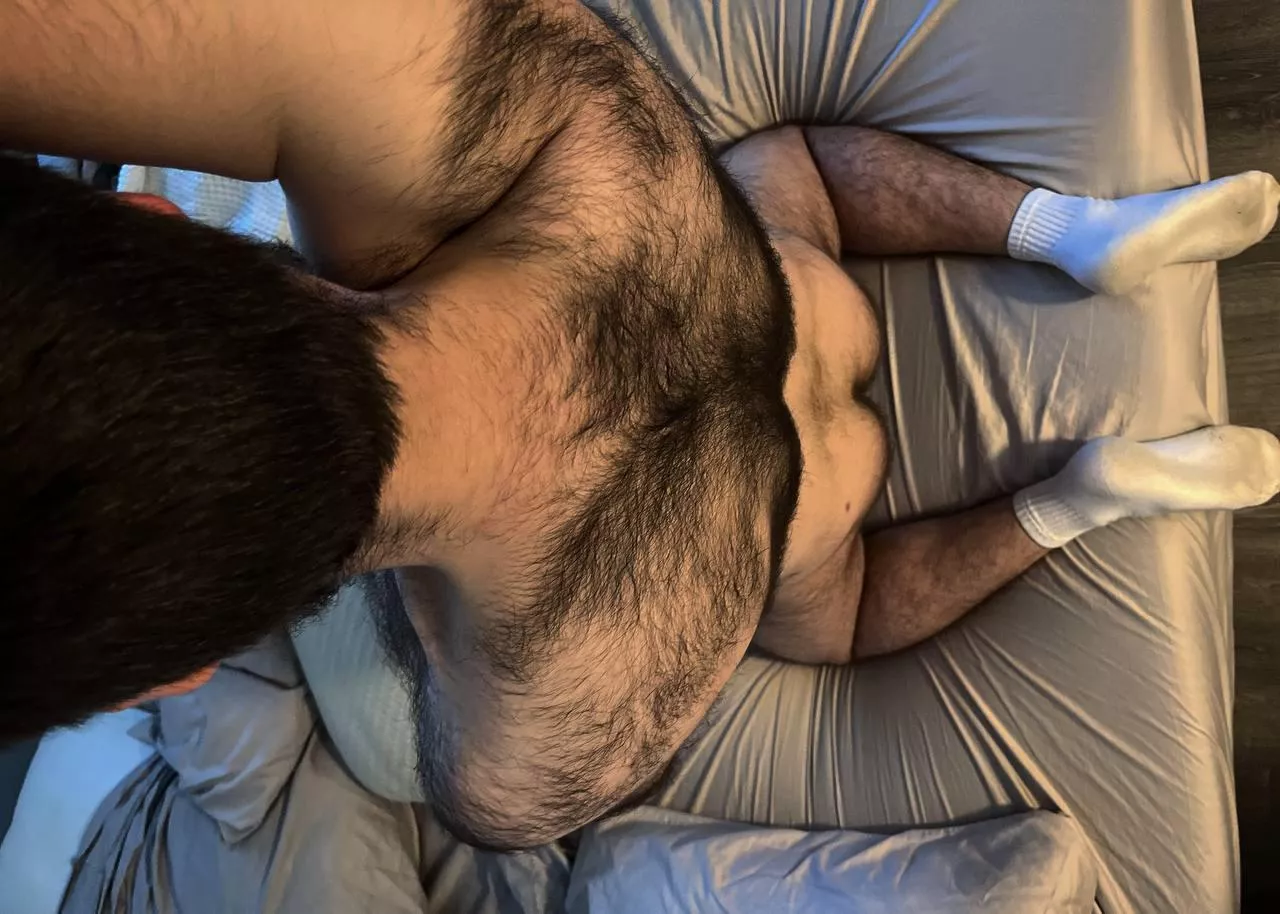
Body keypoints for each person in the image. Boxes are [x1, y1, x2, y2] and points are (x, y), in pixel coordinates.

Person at [0, 0, 1277, 853]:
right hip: (786, 280)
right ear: (152, 218)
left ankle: (1086, 493)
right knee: (797, 163)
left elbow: (466, 769)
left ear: (176, 672)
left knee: (835, 621)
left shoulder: (544, 730)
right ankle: (1068, 233)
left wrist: (363, 561)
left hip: (794, 512)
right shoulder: (525, 100)